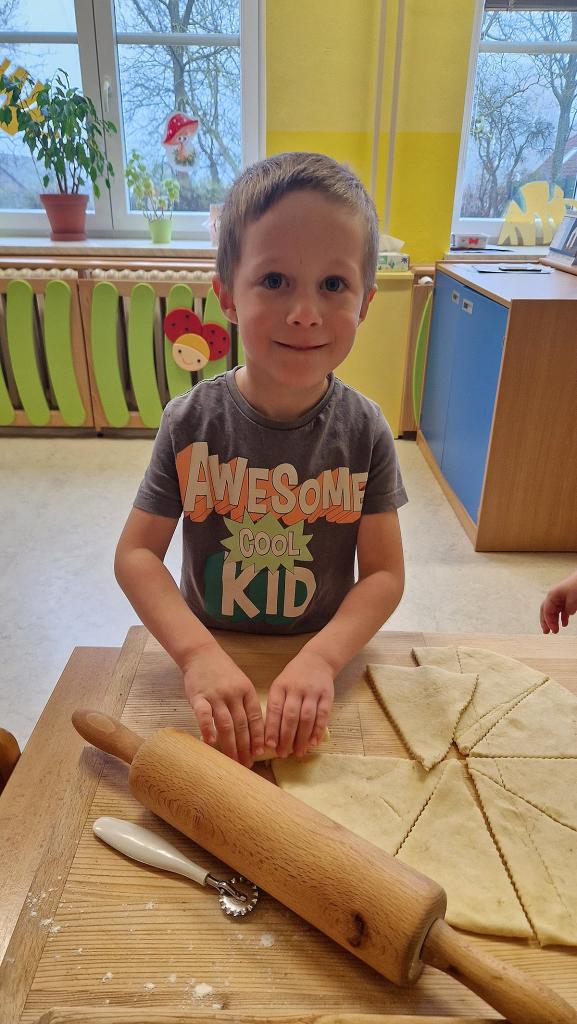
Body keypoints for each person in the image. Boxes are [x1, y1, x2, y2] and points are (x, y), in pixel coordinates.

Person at [114, 152, 407, 767]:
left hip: (315, 656)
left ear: (365, 303)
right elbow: (136, 555)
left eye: (333, 285)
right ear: (226, 295)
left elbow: (384, 574)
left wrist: (323, 658)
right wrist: (196, 654)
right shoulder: (189, 423)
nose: (305, 313)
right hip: (212, 653)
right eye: (275, 281)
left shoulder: (367, 432)